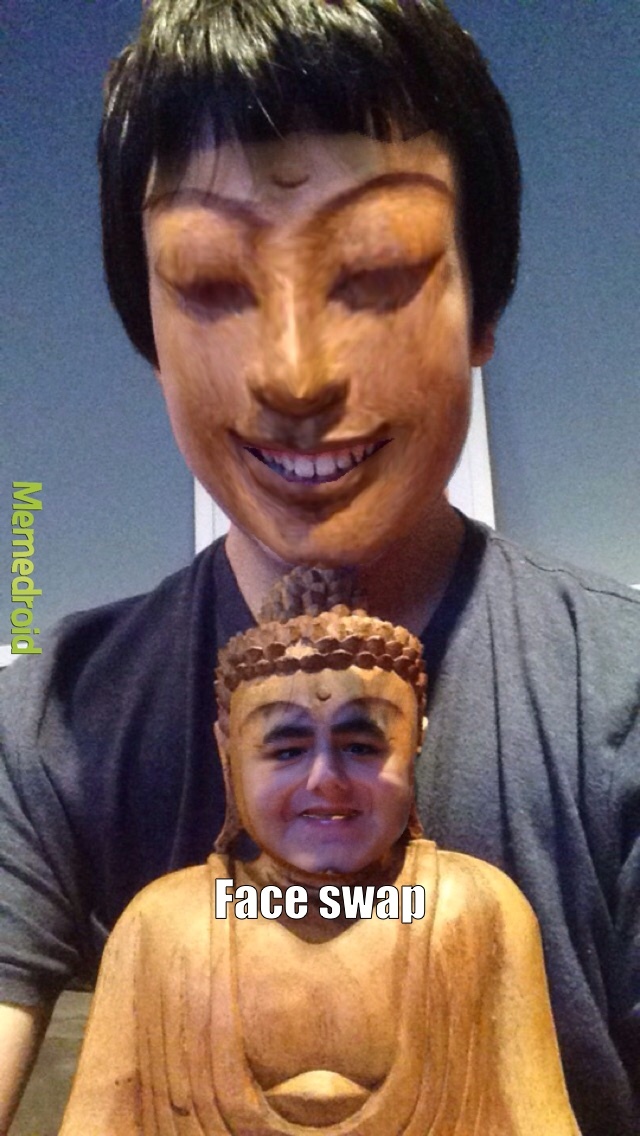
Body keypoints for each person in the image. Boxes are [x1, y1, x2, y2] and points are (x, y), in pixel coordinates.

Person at [0, 3, 637, 1133]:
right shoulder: (55, 752)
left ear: (484, 303)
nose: (293, 375)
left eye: (378, 268)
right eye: (208, 279)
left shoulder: (589, 745)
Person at [60, 567, 579, 1134]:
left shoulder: (475, 909)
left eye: (361, 746)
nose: (325, 779)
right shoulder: (164, 923)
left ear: (416, 742)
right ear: (227, 751)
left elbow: (538, 1118)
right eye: (286, 750)